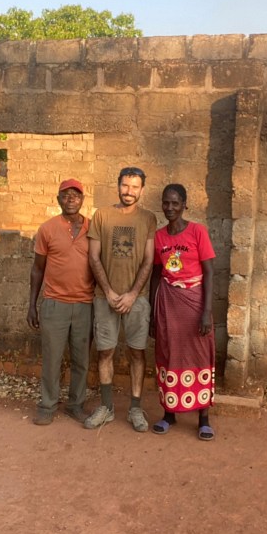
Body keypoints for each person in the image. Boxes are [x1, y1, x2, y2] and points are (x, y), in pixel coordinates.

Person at [85, 166, 158, 432]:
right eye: (125, 185)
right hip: (105, 298)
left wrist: (131, 294)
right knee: (105, 351)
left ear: (142, 189)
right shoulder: (102, 216)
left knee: (137, 352)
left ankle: (136, 408)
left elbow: (149, 260)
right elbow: (93, 257)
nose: (129, 191)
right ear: (118, 185)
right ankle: (106, 407)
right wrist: (110, 292)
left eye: (135, 187)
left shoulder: (148, 218)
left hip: (136, 300)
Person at [149, 184, 217, 441]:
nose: (170, 208)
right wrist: (152, 312)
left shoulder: (198, 232)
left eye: (175, 203)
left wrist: (206, 311)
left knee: (200, 355)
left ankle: (203, 419)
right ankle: (169, 414)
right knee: (168, 354)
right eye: (166, 203)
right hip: (168, 303)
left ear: (185, 204)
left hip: (195, 302)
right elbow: (156, 275)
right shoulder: (159, 237)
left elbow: (209, 272)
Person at [26, 179, 95, 425]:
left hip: (85, 304)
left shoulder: (93, 228)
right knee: (52, 358)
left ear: (82, 200)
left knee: (81, 360)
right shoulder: (47, 229)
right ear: (58, 200)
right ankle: (47, 405)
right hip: (54, 303)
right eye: (65, 196)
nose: (70, 200)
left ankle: (75, 405)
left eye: (75, 196)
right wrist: (32, 304)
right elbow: (37, 269)